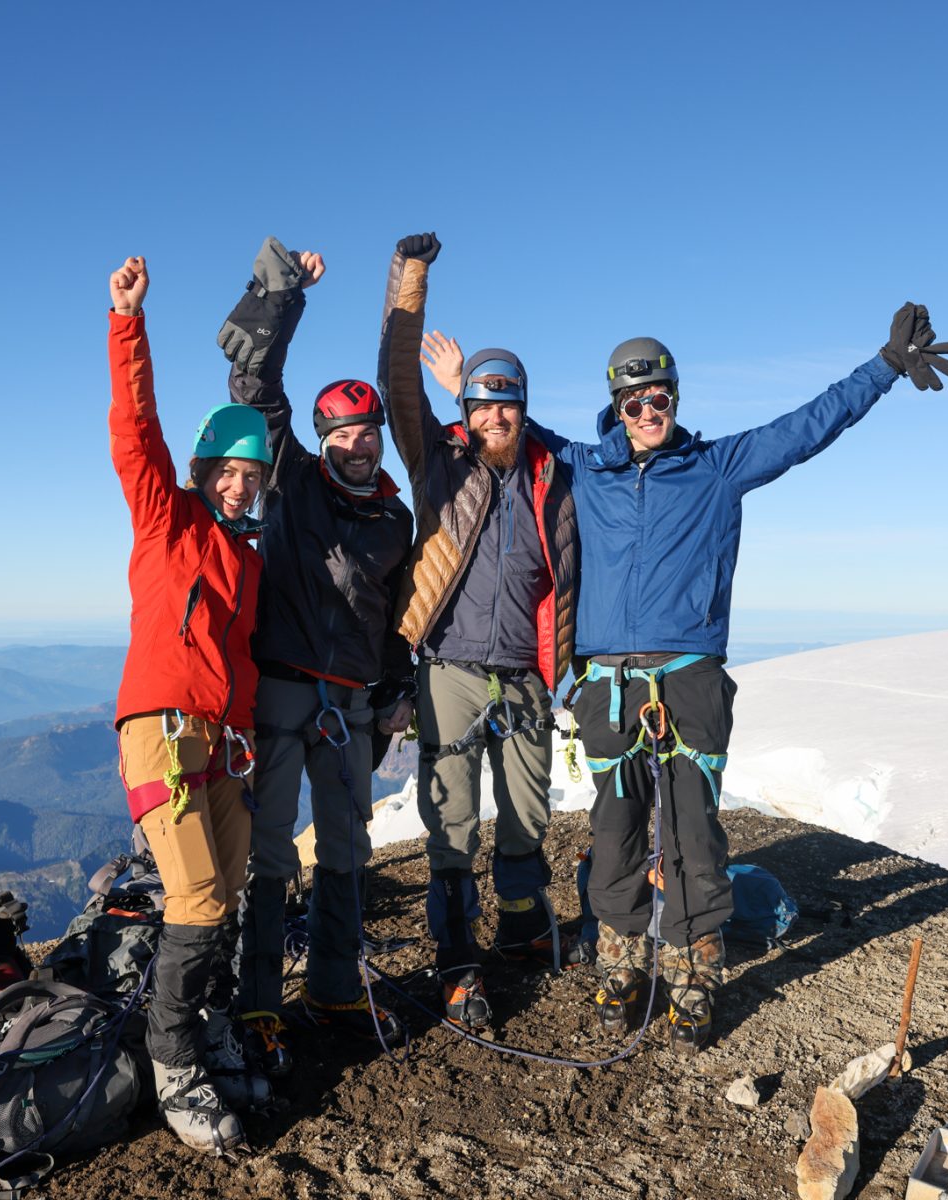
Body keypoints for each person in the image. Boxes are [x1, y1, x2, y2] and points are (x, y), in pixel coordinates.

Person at [422, 305, 948, 1052]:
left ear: (675, 400)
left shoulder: (717, 467)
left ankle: (692, 974)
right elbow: (503, 423)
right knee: (613, 832)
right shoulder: (583, 466)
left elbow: (806, 428)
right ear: (616, 407)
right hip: (609, 683)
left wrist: (882, 368)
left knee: (693, 834)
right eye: (633, 403)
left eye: (660, 400)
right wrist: (459, 390)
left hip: (690, 676)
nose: (647, 413)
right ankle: (619, 967)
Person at [216, 237, 415, 1068]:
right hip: (283, 695)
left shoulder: (394, 523)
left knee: (345, 850)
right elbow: (254, 386)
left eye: (365, 433)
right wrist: (282, 291)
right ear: (322, 439)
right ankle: (259, 1005)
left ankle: (334, 986)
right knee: (268, 856)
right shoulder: (292, 480)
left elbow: (402, 615)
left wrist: (397, 690)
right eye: (340, 433)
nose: (356, 445)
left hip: (354, 705)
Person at [377, 233, 579, 1032]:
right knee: (452, 823)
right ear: (464, 410)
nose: (494, 415)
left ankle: (524, 930)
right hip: (451, 671)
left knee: (528, 819)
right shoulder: (441, 465)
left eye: (508, 402)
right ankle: (459, 965)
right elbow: (397, 382)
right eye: (481, 403)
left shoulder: (550, 479)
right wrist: (411, 281)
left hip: (526, 677)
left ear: (525, 409)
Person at [106, 254, 274, 1153]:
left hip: (222, 741)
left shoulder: (245, 562)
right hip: (160, 733)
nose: (241, 486)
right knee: (200, 896)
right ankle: (173, 1059)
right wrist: (126, 320)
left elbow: (238, 659)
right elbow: (135, 432)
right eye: (230, 471)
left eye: (254, 477)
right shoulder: (164, 520)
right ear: (206, 469)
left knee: (229, 890)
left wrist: (245, 734)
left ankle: (206, 1029)